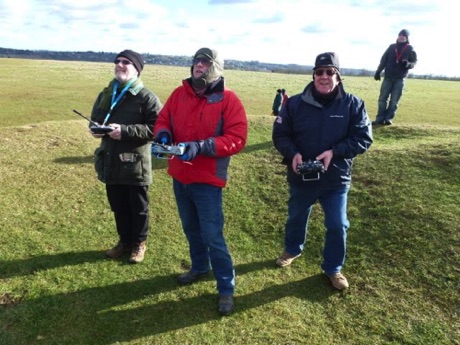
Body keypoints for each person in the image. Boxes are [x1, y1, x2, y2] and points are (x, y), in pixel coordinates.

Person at [153, 47, 248, 315]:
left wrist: (202, 146)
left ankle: (226, 288)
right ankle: (199, 267)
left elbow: (238, 138)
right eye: (196, 61)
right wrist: (163, 135)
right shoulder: (179, 93)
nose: (199, 66)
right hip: (180, 176)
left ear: (216, 67)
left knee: (213, 235)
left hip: (207, 180)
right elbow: (163, 119)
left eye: (205, 62)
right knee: (191, 228)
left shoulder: (229, 100)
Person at [272, 52, 373, 290]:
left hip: (335, 178)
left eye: (330, 72)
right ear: (313, 75)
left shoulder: (353, 104)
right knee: (296, 216)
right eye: (319, 72)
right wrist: (293, 154)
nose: (324, 76)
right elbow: (280, 135)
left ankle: (333, 268)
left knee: (338, 225)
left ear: (338, 76)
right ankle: (292, 249)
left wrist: (334, 152)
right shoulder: (294, 103)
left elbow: (363, 138)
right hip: (301, 175)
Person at [90, 49, 162, 264]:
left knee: (138, 209)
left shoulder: (146, 97)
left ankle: (139, 244)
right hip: (110, 160)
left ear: (137, 70)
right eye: (118, 61)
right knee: (118, 205)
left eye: (126, 62)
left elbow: (157, 128)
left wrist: (126, 131)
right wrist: (95, 128)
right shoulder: (106, 93)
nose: (119, 65)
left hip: (135, 164)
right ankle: (125, 242)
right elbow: (95, 119)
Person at [373, 29, 417, 125]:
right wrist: (378, 71)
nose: (401, 36)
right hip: (388, 78)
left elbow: (414, 63)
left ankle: (388, 119)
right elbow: (383, 60)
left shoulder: (410, 48)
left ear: (407, 37)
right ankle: (379, 118)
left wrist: (408, 64)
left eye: (404, 35)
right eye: (400, 35)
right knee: (382, 99)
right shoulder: (392, 47)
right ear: (398, 36)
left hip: (400, 79)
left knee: (394, 101)